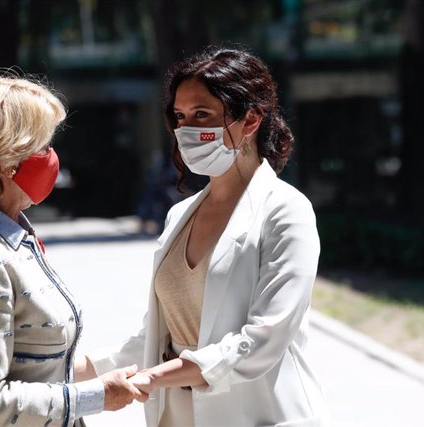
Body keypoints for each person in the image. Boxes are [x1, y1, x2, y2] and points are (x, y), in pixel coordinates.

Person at [86, 47, 330, 426]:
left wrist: (152, 377)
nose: (187, 130)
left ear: (250, 119)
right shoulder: (179, 215)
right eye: (180, 117)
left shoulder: (285, 212)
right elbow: (157, 336)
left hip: (258, 414)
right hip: (179, 415)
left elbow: (263, 339)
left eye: (203, 115)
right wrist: (73, 370)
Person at [0, 73, 145, 426]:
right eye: (42, 146)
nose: (52, 157)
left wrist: (129, 356)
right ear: (6, 161)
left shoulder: (7, 235)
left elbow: (36, 366)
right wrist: (97, 397)